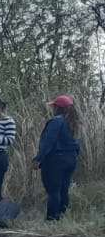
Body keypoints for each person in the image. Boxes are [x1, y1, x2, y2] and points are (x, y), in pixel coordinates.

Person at [36, 94, 81, 222]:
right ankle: (62, 216)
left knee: (53, 191)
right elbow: (78, 144)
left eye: (53, 106)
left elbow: (48, 142)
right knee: (64, 189)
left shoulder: (56, 121)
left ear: (57, 108)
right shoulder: (73, 123)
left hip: (55, 161)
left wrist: (38, 158)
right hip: (70, 159)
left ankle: (51, 219)